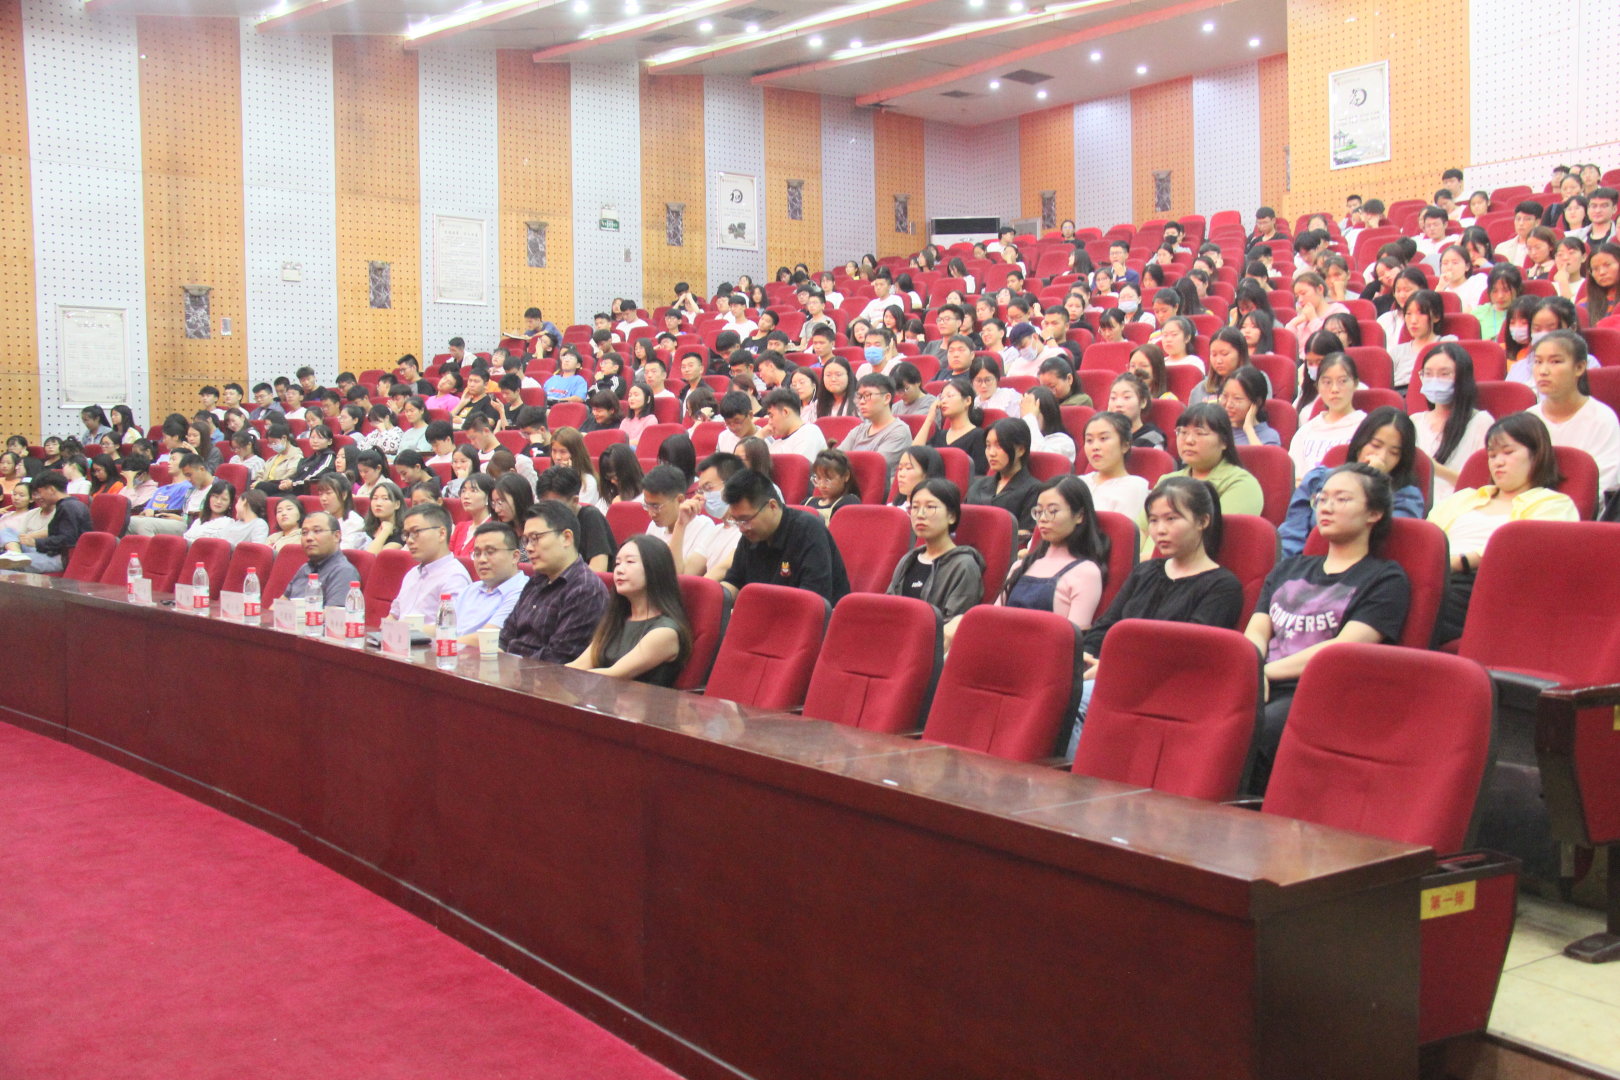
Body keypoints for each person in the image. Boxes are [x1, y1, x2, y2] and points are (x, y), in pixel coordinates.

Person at [1245, 463, 1411, 791]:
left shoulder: (1385, 579)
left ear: (1374, 513)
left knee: (1253, 731)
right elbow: (1257, 630)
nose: (1327, 507)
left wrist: (1263, 672)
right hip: (1257, 679)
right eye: (1321, 499)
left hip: (1318, 691)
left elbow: (1342, 649)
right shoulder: (1289, 568)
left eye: (1342, 499)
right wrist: (1249, 668)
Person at [1072, 477, 1247, 756]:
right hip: (1111, 675)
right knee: (1055, 689)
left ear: (1203, 521)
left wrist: (1113, 667)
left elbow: (1188, 654)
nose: (1160, 530)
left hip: (1163, 686)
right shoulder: (1145, 571)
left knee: (1072, 703)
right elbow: (1106, 625)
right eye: (1153, 521)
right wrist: (1085, 656)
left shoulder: (1222, 586)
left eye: (1171, 519)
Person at [1429, 413, 1581, 642]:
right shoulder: (1463, 498)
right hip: (1434, 575)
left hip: (1487, 586)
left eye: (1508, 453)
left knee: (1417, 608)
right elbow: (1425, 540)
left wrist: (1460, 562)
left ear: (1537, 455)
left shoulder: (1552, 504)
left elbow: (1528, 554)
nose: (1497, 462)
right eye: (1492, 455)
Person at [1279, 407, 1426, 557]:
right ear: (1360, 443)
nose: (1382, 457)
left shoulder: (1407, 498)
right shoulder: (1318, 479)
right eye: (1375, 445)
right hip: (1306, 564)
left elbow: (1383, 541)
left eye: (1394, 453)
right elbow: (1292, 535)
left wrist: (1376, 482)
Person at [567, 535, 693, 686]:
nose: (619, 570)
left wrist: (560, 678)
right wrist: (550, 675)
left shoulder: (665, 632)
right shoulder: (617, 620)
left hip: (635, 700)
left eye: (630, 562)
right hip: (600, 696)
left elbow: (613, 675)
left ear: (655, 568)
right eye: (617, 563)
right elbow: (578, 665)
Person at [996, 476, 1109, 635]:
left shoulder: (1086, 573)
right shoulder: (1021, 566)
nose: (1042, 519)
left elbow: (1073, 640)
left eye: (1053, 511)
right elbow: (994, 619)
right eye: (1039, 512)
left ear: (1079, 515)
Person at [501, 501, 610, 661]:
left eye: (535, 538)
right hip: (513, 668)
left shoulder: (586, 590)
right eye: (526, 540)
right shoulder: (535, 582)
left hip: (542, 674)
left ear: (566, 538)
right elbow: (505, 637)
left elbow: (558, 658)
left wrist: (509, 666)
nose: (528, 548)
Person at [720, 468, 850, 601]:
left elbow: (812, 599)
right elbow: (734, 582)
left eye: (746, 519)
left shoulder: (808, 531)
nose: (742, 528)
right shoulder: (751, 534)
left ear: (772, 506)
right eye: (737, 521)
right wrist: (718, 597)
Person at [1527, 330, 1620, 495]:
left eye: (1555, 362)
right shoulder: (1529, 419)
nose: (1543, 371)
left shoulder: (1602, 419)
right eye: (1538, 362)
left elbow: (1605, 485)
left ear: (1579, 367)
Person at [885, 478, 984, 621]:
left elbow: (954, 624)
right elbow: (888, 607)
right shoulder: (908, 560)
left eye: (930, 507)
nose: (920, 514)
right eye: (915, 507)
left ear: (952, 516)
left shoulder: (964, 566)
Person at [1412, 342, 1494, 502]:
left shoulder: (1480, 422)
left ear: (1462, 378)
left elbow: (1484, 486)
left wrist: (1436, 469)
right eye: (1428, 374)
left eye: (1444, 374)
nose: (1434, 380)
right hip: (1418, 505)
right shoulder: (1414, 421)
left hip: (1462, 505)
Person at [640, 463, 738, 578]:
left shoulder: (704, 526)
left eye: (656, 507)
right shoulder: (654, 526)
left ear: (680, 499)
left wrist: (680, 524)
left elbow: (677, 577)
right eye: (701, 491)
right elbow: (679, 575)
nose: (651, 513)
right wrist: (680, 525)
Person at [1167, 404, 1263, 516]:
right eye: (1183, 432)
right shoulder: (1167, 481)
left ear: (1224, 441)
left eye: (1200, 433)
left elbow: (1218, 526)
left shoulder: (1241, 484)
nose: (1188, 440)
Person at [388, 503, 472, 622]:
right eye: (406, 534)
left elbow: (450, 626)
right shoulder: (412, 574)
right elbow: (393, 615)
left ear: (441, 533)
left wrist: (404, 628)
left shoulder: (455, 577)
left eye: (416, 532)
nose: (409, 541)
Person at [450, 522, 528, 647]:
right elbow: (443, 628)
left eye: (490, 552)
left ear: (515, 557)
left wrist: (444, 644)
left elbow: (487, 638)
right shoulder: (470, 590)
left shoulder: (523, 591)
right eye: (477, 553)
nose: (482, 560)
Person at [1291, 353, 1366, 481]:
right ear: (1318, 387)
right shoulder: (1305, 432)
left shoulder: (1366, 428)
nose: (1334, 389)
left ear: (1355, 383)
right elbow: (1294, 479)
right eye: (1327, 382)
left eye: (1342, 381)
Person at [1079, 411, 1150, 546]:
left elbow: (1123, 539)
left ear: (1125, 445)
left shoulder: (1135, 486)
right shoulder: (1079, 482)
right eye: (1089, 440)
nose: (1095, 447)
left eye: (1103, 438)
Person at [965, 418, 1041, 536]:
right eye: (988, 446)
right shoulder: (977, 485)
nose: (991, 453)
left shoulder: (1034, 490)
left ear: (1021, 450)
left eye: (999, 446)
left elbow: (1026, 533)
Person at [0, 471, 88, 573]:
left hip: (57, 557)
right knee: (8, 533)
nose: (38, 497)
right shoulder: (65, 505)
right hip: (46, 551)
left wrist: (36, 542)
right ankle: (15, 554)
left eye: (40, 492)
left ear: (51, 490)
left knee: (6, 565)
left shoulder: (70, 507)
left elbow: (68, 540)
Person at [534, 466, 614, 571]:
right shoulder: (543, 521)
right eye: (544, 505)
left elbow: (598, 569)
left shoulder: (591, 517)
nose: (549, 512)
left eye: (555, 506)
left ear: (575, 501)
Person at [838, 373, 913, 483]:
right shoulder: (859, 430)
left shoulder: (898, 431)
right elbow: (835, 461)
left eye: (867, 395)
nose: (862, 402)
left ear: (886, 398)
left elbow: (873, 468)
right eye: (859, 397)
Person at [281, 511, 361, 607]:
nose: (308, 538)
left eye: (317, 531)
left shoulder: (344, 572)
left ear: (336, 536)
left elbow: (333, 614)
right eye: (304, 533)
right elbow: (280, 605)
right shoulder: (304, 568)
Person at [913, 377, 988, 475]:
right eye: (942, 398)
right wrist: (929, 419)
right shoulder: (939, 435)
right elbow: (914, 455)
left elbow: (978, 474)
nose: (943, 401)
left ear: (967, 401)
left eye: (950, 396)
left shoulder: (978, 436)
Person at [131, 453, 211, 535]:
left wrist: (180, 518)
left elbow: (208, 518)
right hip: (181, 521)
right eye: (185, 475)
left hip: (194, 526)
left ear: (201, 469)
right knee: (130, 522)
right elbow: (184, 511)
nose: (188, 479)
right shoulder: (191, 490)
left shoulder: (215, 489)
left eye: (189, 475)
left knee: (146, 524)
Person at [1219, 368, 1280, 448]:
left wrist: (1248, 429)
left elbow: (1263, 455)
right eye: (1225, 396)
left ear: (1257, 402)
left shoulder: (1269, 436)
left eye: (1237, 398)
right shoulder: (1215, 430)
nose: (1228, 404)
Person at [1106, 374, 1166, 450]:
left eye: (1126, 397)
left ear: (1143, 402)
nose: (1118, 404)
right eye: (1113, 398)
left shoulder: (1152, 438)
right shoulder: (1103, 435)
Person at [548, 427, 602, 509]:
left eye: (563, 452)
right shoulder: (549, 478)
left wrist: (568, 477)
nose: (557, 457)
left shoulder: (588, 482)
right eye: (554, 451)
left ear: (575, 453)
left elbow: (574, 512)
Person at [1019, 385, 1076, 462]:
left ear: (1047, 414)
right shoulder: (1018, 440)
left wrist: (1030, 417)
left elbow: (1040, 460)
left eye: (1033, 414)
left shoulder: (1064, 442)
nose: (1025, 420)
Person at [313, 472, 366, 550]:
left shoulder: (354, 522)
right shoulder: (321, 518)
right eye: (320, 494)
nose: (323, 498)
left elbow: (345, 550)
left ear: (344, 495)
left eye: (328, 493)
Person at [805, 449, 861, 521]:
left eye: (828, 480)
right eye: (818, 478)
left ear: (846, 476)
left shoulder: (849, 502)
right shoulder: (808, 502)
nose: (822, 485)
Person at [360, 480, 407, 553]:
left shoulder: (402, 534)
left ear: (397, 504)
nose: (378, 503)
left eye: (385, 499)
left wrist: (385, 531)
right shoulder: (365, 527)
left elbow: (372, 556)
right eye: (375, 498)